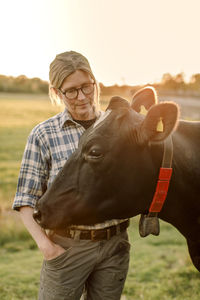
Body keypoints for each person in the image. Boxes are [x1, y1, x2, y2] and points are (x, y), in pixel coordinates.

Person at [12, 51, 130, 300]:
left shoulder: (116, 129)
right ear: (56, 93)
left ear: (95, 83)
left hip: (114, 245)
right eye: (71, 91)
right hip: (67, 247)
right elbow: (25, 200)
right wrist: (49, 249)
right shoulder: (44, 134)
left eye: (86, 87)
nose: (82, 97)